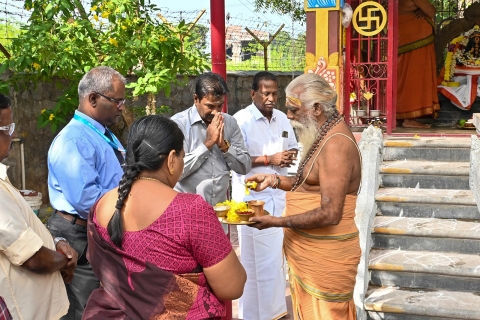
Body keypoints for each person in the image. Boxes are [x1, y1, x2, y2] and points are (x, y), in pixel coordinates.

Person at [83, 115, 246, 318]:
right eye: (182, 157)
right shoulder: (190, 210)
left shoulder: (101, 206)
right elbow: (232, 287)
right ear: (171, 159)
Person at [245, 74, 361, 319]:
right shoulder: (323, 134)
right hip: (311, 254)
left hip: (325, 258)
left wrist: (276, 222)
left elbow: (330, 213)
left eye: (294, 110)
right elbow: (310, 183)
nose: (288, 116)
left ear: (316, 108)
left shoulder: (336, 145)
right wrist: (273, 180)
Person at [46, 66, 126, 319]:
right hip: (79, 233)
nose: (121, 107)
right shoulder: (74, 141)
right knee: (85, 309)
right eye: (116, 100)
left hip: (97, 227)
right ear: (93, 99)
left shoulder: (99, 133)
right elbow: (86, 200)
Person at [0, 93, 77, 319]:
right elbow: (32, 257)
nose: (13, 135)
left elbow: (19, 230)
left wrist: (55, 242)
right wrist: (66, 261)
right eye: (7, 128)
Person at [231, 71, 298, 320]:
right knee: (254, 264)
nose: (271, 98)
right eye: (265, 93)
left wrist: (289, 156)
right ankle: (253, 315)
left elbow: (292, 146)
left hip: (278, 197)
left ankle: (275, 313)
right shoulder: (241, 120)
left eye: (274, 93)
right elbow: (235, 160)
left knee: (274, 263)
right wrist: (270, 159)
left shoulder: (282, 118)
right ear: (253, 94)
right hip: (252, 202)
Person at [171, 72, 251, 214]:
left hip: (220, 215)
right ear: (196, 99)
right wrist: (207, 145)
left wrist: (225, 147)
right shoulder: (178, 124)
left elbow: (245, 167)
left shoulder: (230, 123)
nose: (215, 112)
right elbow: (174, 172)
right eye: (210, 106)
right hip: (188, 215)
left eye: (219, 106)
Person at [397, 0, 440, 128]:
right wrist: (424, 11)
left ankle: (399, 116)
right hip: (414, 42)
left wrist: (422, 11)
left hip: (407, 39)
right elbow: (431, 11)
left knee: (404, 77)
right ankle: (409, 118)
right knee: (413, 78)